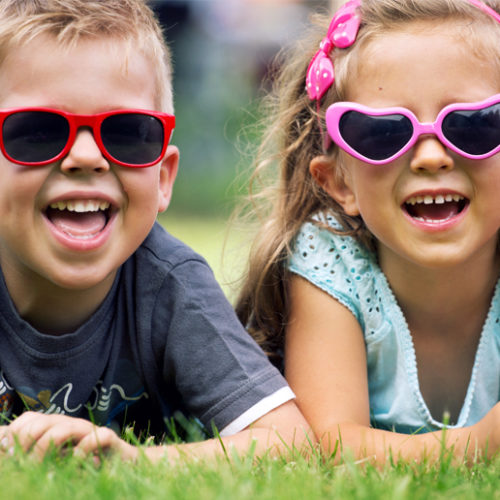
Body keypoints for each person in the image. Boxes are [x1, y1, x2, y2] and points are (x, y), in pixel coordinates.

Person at [0, 0, 310, 463]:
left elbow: (290, 442)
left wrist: (134, 460)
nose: (86, 158)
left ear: (163, 178)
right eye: (37, 131)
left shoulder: (171, 285)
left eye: (127, 133)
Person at [236, 0, 500, 465]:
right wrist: (478, 446)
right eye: (382, 133)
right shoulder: (330, 259)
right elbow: (331, 444)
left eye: (475, 124)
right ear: (339, 183)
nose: (432, 157)